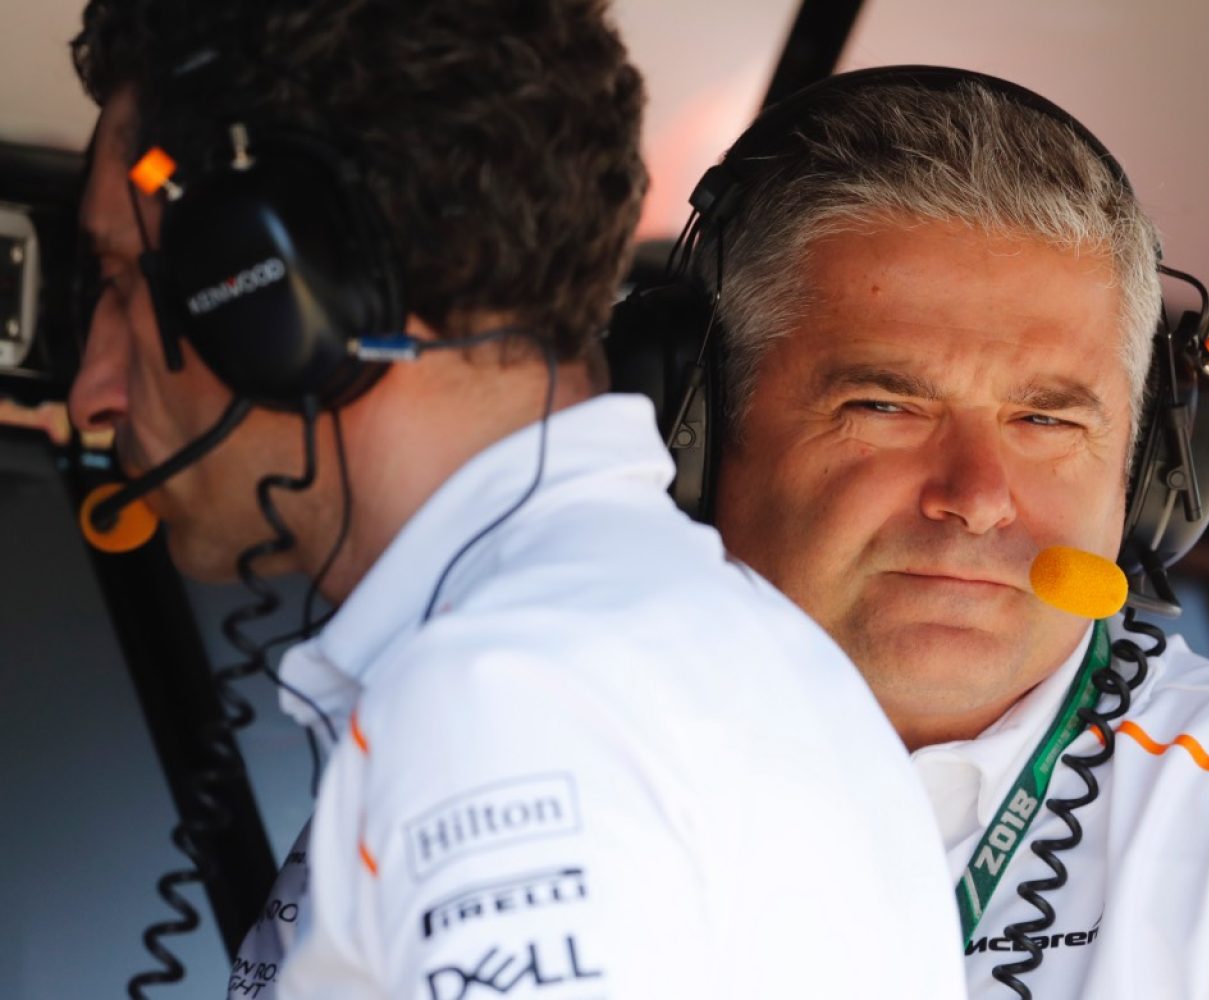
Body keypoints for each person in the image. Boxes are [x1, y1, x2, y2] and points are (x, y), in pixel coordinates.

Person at [66, 2, 963, 998]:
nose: (91, 389)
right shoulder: (722, 652)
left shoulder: (511, 694)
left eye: (118, 280)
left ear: (276, 286)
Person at [645, 66, 1209, 999]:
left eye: (1047, 422)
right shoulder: (554, 726)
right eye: (885, 405)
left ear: (1155, 469)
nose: (977, 496)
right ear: (694, 433)